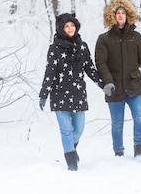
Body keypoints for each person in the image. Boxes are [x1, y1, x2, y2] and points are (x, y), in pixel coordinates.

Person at [95, 0, 141, 160]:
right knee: (117, 123)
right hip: (114, 87)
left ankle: (138, 151)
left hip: (134, 85)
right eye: (117, 13)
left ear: (128, 15)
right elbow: (101, 63)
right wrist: (107, 82)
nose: (120, 15)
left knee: (140, 118)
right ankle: (119, 154)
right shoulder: (104, 39)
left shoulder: (136, 37)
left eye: (123, 12)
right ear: (112, 16)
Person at [39, 13, 103, 171]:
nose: (70, 28)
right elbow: (50, 72)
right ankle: (71, 163)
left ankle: (71, 149)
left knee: (79, 129)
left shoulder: (83, 46)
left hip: (78, 95)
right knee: (66, 131)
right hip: (59, 95)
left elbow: (90, 68)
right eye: (66, 26)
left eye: (72, 25)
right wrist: (43, 95)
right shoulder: (54, 49)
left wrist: (103, 84)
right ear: (61, 29)